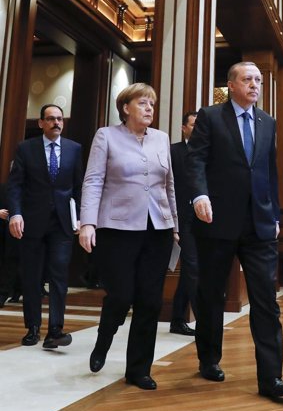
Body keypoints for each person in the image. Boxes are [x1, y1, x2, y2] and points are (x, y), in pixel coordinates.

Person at [186, 61, 283, 398]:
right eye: (248, 79)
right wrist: (199, 194)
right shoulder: (210, 116)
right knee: (211, 294)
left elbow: (269, 172)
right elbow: (196, 160)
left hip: (259, 224)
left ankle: (271, 378)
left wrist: (274, 215)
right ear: (231, 85)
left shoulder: (267, 122)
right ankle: (209, 358)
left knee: (266, 300)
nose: (255, 85)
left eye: (258, 80)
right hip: (217, 220)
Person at [79, 83, 178, 391]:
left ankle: (138, 370)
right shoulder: (106, 136)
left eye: (152, 104)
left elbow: (169, 185)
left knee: (150, 302)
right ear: (126, 108)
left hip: (157, 230)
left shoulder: (161, 139)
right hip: (117, 229)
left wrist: (175, 224)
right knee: (121, 295)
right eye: (143, 103)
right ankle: (104, 337)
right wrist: (87, 223)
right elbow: (94, 180)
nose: (149, 108)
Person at [7, 104, 83, 348]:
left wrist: (81, 216)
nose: (56, 123)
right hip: (32, 221)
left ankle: (55, 330)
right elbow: (16, 185)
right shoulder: (26, 149)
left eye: (59, 119)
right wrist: (15, 214)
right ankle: (33, 328)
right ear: (41, 123)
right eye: (50, 119)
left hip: (62, 223)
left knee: (59, 275)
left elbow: (80, 186)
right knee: (32, 276)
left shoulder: (74, 149)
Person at [169, 111, 198, 336]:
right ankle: (184, 318)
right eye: (193, 125)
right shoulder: (173, 151)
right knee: (191, 267)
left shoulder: (208, 151)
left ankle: (177, 319)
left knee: (193, 269)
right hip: (180, 218)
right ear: (184, 128)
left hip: (203, 219)